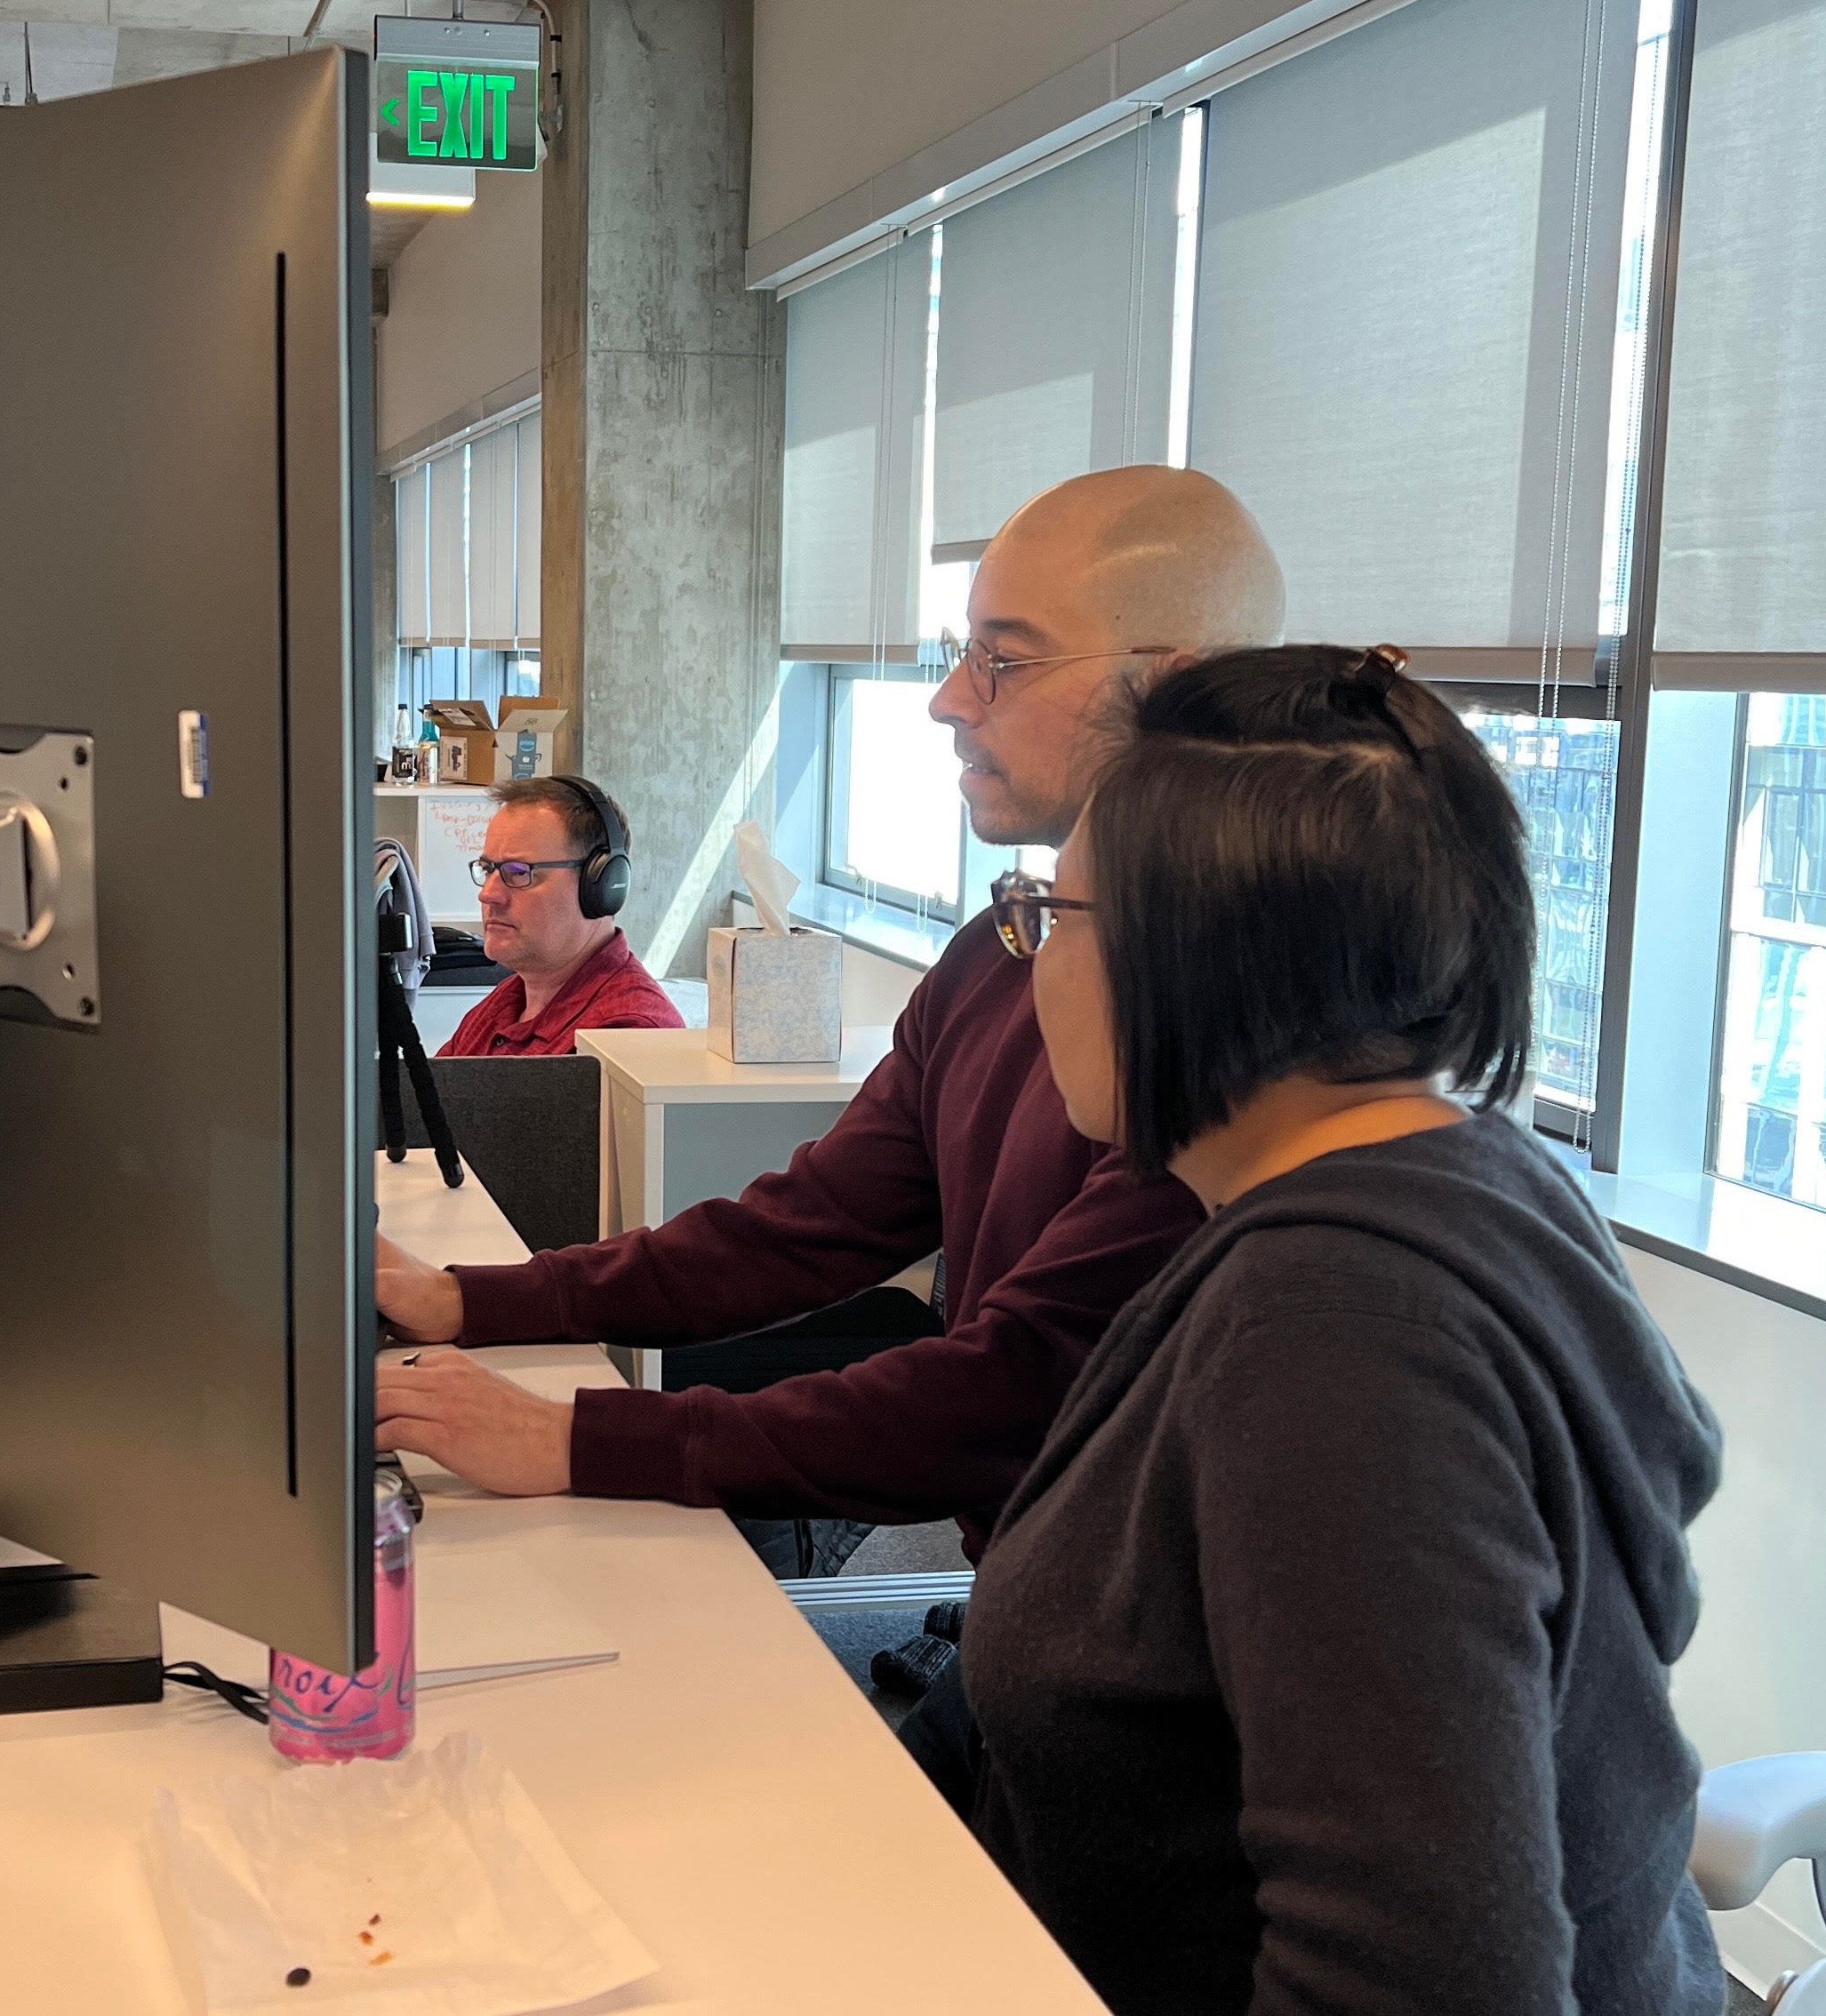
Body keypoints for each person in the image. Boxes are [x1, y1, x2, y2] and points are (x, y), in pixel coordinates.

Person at [964, 644, 1723, 2016]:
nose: (1032, 963)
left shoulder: (1338, 1339)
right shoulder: (1472, 1173)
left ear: (1192, 957)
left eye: (1051, 914)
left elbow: (1427, 1979)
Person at [373, 466, 1283, 1556]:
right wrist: (475, 1301)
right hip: (1035, 1601)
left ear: (1174, 688)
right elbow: (807, 1227)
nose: (950, 698)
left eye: (1002, 659)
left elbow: (1009, 1387)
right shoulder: (993, 956)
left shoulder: (1235, 1019)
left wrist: (580, 1438)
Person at [436, 775, 684, 1057]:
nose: (488, 895)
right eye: (488, 868)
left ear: (599, 885)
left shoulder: (628, 1037)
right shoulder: (507, 1001)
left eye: (519, 872)